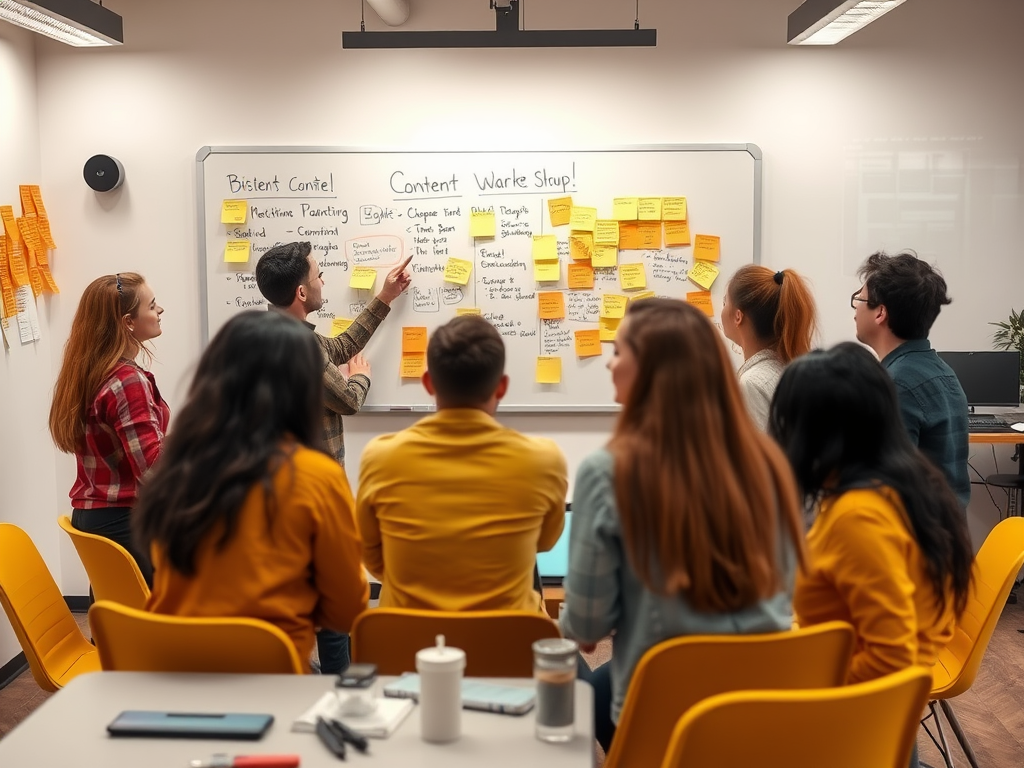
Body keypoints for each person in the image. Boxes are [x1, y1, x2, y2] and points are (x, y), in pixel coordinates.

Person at [560, 299, 805, 752]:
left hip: (662, 722)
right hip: (763, 710)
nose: (610, 363)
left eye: (618, 350)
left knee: (566, 682)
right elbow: (785, 586)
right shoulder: (768, 463)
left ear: (652, 369)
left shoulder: (608, 471)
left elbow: (586, 627)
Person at [768, 343, 973, 768]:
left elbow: (891, 656)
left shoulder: (859, 517)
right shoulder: (905, 484)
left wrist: (809, 693)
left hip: (858, 715)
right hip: (878, 708)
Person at [135, 311, 369, 667]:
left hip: (174, 674)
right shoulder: (316, 475)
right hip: (270, 683)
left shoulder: (178, 469)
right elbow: (347, 610)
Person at [255, 241, 411, 673]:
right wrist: (360, 379)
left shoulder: (275, 335)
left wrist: (383, 299)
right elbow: (346, 399)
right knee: (333, 599)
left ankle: (306, 674)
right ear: (302, 293)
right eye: (319, 275)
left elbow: (337, 348)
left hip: (283, 490)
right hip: (310, 495)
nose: (324, 282)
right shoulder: (297, 348)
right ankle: (337, 684)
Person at [356, 315, 567, 613]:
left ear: (428, 383)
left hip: (410, 640)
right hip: (513, 640)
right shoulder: (545, 459)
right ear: (502, 387)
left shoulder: (380, 456)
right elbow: (542, 544)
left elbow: (371, 554)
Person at [49, 273, 168, 584]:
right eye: (152, 306)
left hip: (93, 519)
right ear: (129, 322)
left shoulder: (88, 373)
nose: (161, 311)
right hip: (124, 522)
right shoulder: (128, 381)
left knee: (116, 615)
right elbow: (153, 471)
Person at [853, 251, 970, 508]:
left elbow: (886, 491)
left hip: (913, 543)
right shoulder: (943, 373)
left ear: (880, 312)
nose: (855, 310)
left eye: (858, 299)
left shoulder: (896, 385)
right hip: (946, 538)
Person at [721, 265, 817, 429]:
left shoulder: (751, 383)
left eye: (725, 303)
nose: (721, 311)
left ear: (738, 316)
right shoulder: (786, 366)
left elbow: (756, 454)